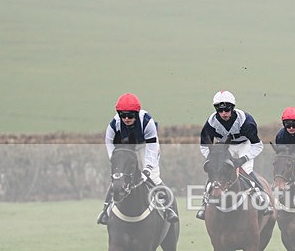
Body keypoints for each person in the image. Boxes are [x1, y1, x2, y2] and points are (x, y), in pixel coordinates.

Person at [97, 92, 178, 224]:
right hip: (126, 148)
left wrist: (147, 169)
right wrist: (115, 160)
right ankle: (105, 210)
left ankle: (168, 209)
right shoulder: (114, 124)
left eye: (130, 115)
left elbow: (152, 148)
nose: (127, 118)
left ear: (137, 113)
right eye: (123, 115)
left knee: (153, 177)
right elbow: (109, 142)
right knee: (118, 178)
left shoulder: (147, 122)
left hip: (145, 147)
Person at [197, 90, 271, 220]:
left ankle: (263, 199)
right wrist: (212, 158)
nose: (224, 113)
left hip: (245, 145)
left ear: (232, 108)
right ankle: (204, 203)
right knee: (217, 171)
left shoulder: (246, 122)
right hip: (226, 147)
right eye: (220, 111)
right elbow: (203, 145)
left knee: (247, 170)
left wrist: (243, 159)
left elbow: (258, 146)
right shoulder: (211, 123)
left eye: (227, 109)